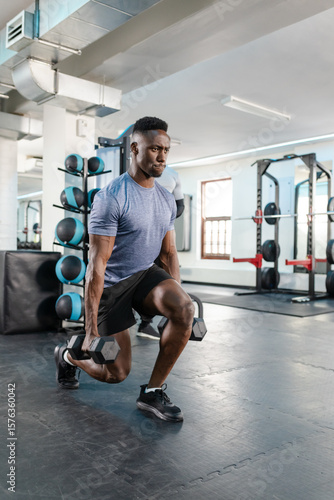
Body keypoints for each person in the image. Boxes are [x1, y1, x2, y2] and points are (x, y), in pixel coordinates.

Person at [54, 116, 194, 422]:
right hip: (112, 285)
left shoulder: (166, 200)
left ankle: (153, 392)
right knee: (116, 372)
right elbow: (96, 265)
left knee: (185, 309)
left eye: (166, 150)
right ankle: (67, 356)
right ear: (134, 148)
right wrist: (90, 332)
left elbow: (168, 253)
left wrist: (178, 299)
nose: (162, 157)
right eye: (155, 149)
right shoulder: (112, 197)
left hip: (144, 274)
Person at [137, 165, 185, 339]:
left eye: (164, 148)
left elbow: (180, 206)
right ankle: (140, 321)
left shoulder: (173, 175)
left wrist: (163, 214)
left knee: (165, 272)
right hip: (139, 232)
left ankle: (149, 322)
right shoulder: (137, 172)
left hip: (163, 230)